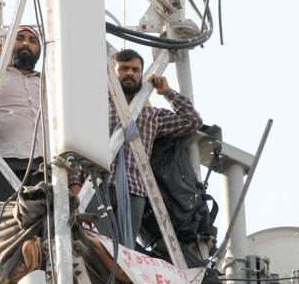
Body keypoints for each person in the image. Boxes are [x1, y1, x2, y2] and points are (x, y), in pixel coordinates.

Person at [75, 49, 203, 248]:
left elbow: (192, 121)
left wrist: (167, 93)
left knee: (124, 248)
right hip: (97, 183)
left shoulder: (151, 115)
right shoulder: (96, 105)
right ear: (113, 73)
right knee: (94, 244)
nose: (130, 73)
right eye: (123, 68)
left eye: (136, 70)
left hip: (135, 189)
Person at [0, 26, 47, 201]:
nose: (26, 43)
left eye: (33, 40)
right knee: (11, 225)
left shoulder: (49, 82)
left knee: (48, 226)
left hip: (44, 167)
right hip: (2, 163)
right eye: (19, 38)